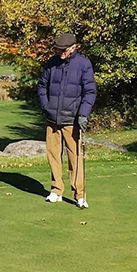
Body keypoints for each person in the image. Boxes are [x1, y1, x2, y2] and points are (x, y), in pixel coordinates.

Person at [37, 32, 97, 209]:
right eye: (58, 49)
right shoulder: (52, 63)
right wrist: (45, 106)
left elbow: (90, 91)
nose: (60, 52)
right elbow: (42, 86)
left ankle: (79, 195)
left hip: (72, 119)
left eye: (63, 50)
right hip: (52, 118)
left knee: (75, 157)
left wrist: (84, 113)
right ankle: (56, 190)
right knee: (53, 155)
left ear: (73, 48)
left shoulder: (83, 64)